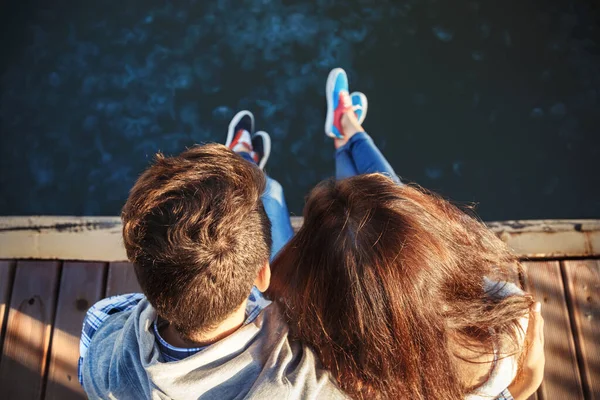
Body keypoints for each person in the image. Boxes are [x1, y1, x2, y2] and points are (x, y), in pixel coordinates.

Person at [268, 68, 545, 400]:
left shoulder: (326, 376)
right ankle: (345, 129)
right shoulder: (504, 332)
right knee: (393, 212)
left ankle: (292, 153)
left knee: (391, 209)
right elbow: (529, 378)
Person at [78, 112, 346, 399]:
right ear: (263, 274)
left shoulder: (103, 335)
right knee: (272, 191)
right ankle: (244, 157)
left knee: (271, 192)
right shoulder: (309, 378)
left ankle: (242, 155)